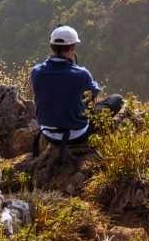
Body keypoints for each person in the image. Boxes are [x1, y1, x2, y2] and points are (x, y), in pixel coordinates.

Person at [30, 25, 123, 153]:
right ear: (73, 47)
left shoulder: (36, 71)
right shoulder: (81, 74)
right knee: (116, 99)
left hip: (47, 133)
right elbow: (94, 93)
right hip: (76, 135)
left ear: (51, 46)